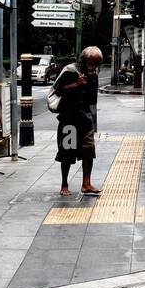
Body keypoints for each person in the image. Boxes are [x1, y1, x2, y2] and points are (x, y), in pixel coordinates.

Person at [54, 46, 103, 196]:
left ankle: (86, 184)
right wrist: (76, 84)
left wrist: (90, 83)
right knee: (67, 153)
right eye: (92, 63)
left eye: (97, 64)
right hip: (69, 118)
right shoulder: (70, 71)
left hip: (85, 119)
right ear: (83, 60)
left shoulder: (93, 75)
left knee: (89, 150)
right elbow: (58, 90)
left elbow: (92, 100)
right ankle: (64, 184)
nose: (94, 67)